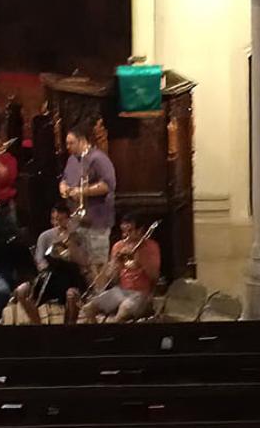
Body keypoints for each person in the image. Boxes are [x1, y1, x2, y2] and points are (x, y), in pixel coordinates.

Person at [15, 201, 90, 324]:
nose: (57, 223)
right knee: (21, 291)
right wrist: (46, 267)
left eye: (61, 220)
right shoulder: (45, 236)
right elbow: (39, 259)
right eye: (54, 220)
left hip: (71, 277)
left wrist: (70, 242)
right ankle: (38, 326)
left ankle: (69, 329)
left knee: (72, 295)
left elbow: (84, 262)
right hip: (50, 276)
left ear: (68, 219)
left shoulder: (78, 236)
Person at [86, 215, 162, 323]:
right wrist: (116, 264)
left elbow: (155, 278)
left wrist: (141, 259)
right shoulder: (118, 246)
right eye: (123, 231)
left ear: (140, 230)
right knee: (89, 308)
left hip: (143, 293)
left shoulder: (151, 246)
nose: (125, 236)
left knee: (124, 309)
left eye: (130, 231)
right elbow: (112, 279)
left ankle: (114, 335)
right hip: (121, 291)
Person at [59, 129, 117, 268]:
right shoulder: (71, 159)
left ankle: (99, 290)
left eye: (71, 143)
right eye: (66, 143)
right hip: (77, 221)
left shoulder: (99, 158)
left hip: (97, 221)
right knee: (80, 264)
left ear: (82, 141)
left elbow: (108, 185)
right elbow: (64, 179)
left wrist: (81, 191)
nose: (68, 147)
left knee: (98, 264)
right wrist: (63, 187)